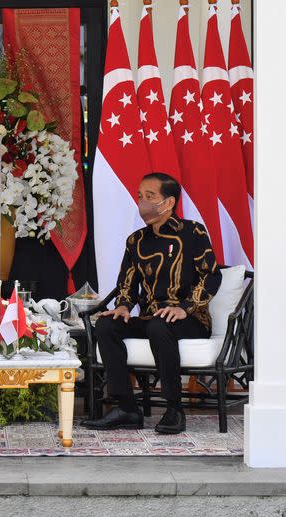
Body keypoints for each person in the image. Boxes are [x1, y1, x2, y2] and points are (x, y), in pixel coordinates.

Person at [81, 172, 222, 434]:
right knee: (106, 326)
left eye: (150, 197)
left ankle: (173, 409)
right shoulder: (136, 241)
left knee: (160, 325)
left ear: (168, 203)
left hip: (189, 319)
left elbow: (211, 276)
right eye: (139, 196)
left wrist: (185, 308)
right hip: (149, 318)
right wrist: (122, 306)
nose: (142, 202)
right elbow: (127, 284)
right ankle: (126, 408)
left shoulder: (193, 232)